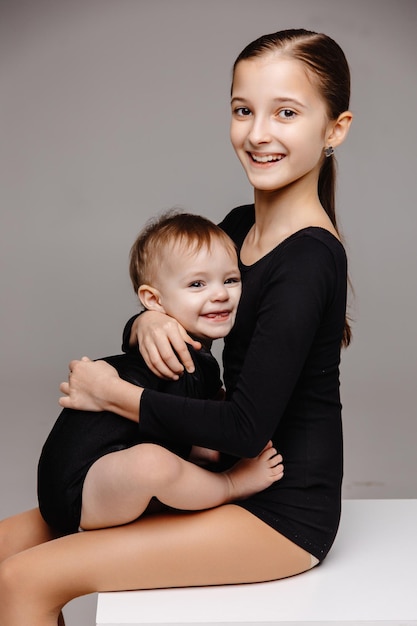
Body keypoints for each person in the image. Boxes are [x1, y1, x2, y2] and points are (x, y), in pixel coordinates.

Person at [0, 28, 353, 626]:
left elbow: (244, 429)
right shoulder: (239, 225)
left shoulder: (309, 260)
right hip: (200, 466)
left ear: (335, 129)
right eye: (244, 110)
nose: (258, 133)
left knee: (24, 579)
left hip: (277, 509)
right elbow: (183, 304)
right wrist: (146, 319)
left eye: (286, 113)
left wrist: (116, 395)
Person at [37, 210, 283, 534]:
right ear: (154, 299)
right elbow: (171, 419)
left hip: (97, 477)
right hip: (79, 491)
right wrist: (219, 456)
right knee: (153, 463)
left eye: (231, 280)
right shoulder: (176, 357)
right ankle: (230, 485)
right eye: (197, 284)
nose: (220, 294)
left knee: (157, 452)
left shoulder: (187, 350)